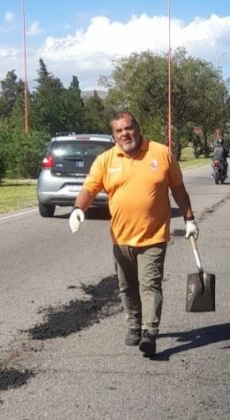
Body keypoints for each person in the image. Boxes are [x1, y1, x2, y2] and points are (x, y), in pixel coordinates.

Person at [69, 111, 198, 357]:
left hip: (154, 237)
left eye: (129, 128)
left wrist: (190, 218)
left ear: (137, 128)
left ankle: (150, 332)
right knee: (127, 287)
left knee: (150, 284)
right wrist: (78, 208)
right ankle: (134, 325)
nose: (125, 134)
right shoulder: (106, 160)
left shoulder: (161, 153)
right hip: (121, 238)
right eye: (119, 131)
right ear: (114, 135)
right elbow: (90, 188)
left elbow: (178, 189)